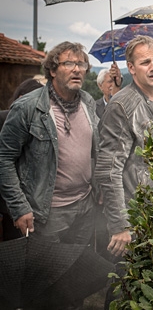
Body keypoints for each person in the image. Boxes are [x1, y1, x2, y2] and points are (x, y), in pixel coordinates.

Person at [0, 42, 99, 308]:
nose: (77, 69)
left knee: (75, 284)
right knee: (44, 288)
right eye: (69, 63)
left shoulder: (89, 103)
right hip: (46, 214)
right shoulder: (28, 108)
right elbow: (4, 158)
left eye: (81, 64)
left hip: (84, 209)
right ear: (53, 70)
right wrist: (19, 208)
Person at [95, 35, 153, 258]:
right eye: (145, 62)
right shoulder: (121, 106)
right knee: (127, 287)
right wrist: (120, 225)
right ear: (131, 68)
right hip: (135, 215)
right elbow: (109, 169)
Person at [0, 77, 44, 242]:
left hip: (34, 202)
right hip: (10, 201)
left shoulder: (41, 124)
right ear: (20, 99)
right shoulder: (4, 119)